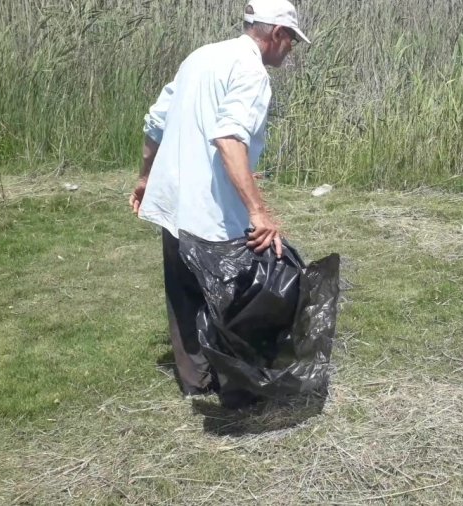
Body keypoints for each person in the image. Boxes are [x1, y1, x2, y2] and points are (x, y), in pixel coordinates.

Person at [128, 0, 310, 405]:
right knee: (236, 296)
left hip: (173, 202)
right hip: (209, 213)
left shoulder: (201, 57)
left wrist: (145, 179)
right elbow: (228, 139)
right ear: (277, 33)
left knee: (183, 292)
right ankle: (239, 389)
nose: (291, 49)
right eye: (292, 40)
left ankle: (196, 382)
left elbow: (156, 121)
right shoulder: (252, 71)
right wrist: (258, 211)